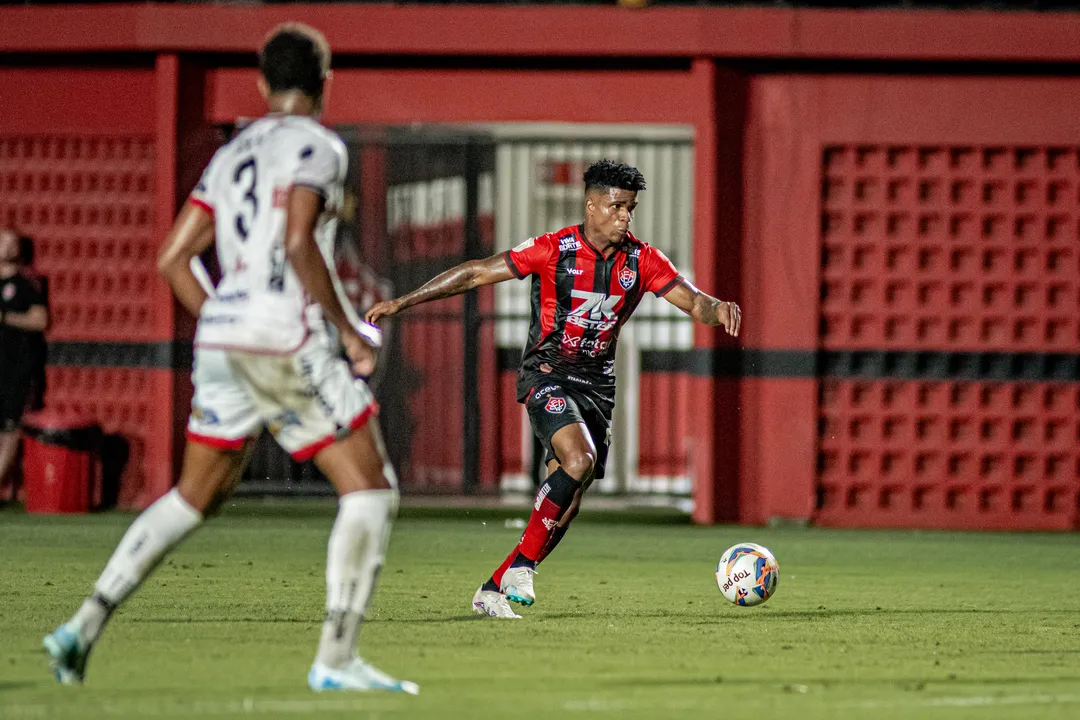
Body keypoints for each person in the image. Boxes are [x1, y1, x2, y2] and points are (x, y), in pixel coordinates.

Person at [43, 23, 418, 695]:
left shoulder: (232, 152)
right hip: (285, 336)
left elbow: (171, 258)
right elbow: (302, 242)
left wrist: (224, 314)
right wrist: (348, 332)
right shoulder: (319, 147)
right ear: (324, 81)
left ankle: (81, 625)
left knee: (195, 497)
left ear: (262, 84)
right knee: (371, 489)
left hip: (220, 338)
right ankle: (335, 659)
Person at [366, 160, 741, 619]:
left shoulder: (643, 260)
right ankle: (523, 567)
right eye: (617, 206)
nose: (625, 216)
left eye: (631, 208)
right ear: (591, 204)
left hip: (598, 388)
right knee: (577, 461)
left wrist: (717, 307)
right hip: (547, 375)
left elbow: (693, 301)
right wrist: (404, 302)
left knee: (568, 504)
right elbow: (476, 273)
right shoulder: (553, 249)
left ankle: (492, 588)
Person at [0, 229, 48, 505]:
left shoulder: (26, 285)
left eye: (11, 243)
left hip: (16, 369)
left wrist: (5, 317)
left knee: (11, 428)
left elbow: (40, 320)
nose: (6, 247)